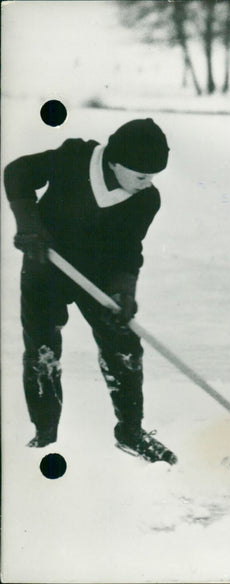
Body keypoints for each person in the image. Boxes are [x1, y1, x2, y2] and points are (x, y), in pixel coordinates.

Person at [4, 118, 177, 465]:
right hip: (47, 266)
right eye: (142, 175)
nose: (148, 183)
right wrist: (29, 223)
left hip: (100, 278)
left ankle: (131, 432)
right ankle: (45, 437)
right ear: (115, 162)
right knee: (42, 351)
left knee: (125, 347)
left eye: (153, 176)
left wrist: (123, 290)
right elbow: (18, 172)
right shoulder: (73, 159)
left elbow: (129, 249)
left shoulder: (145, 200)